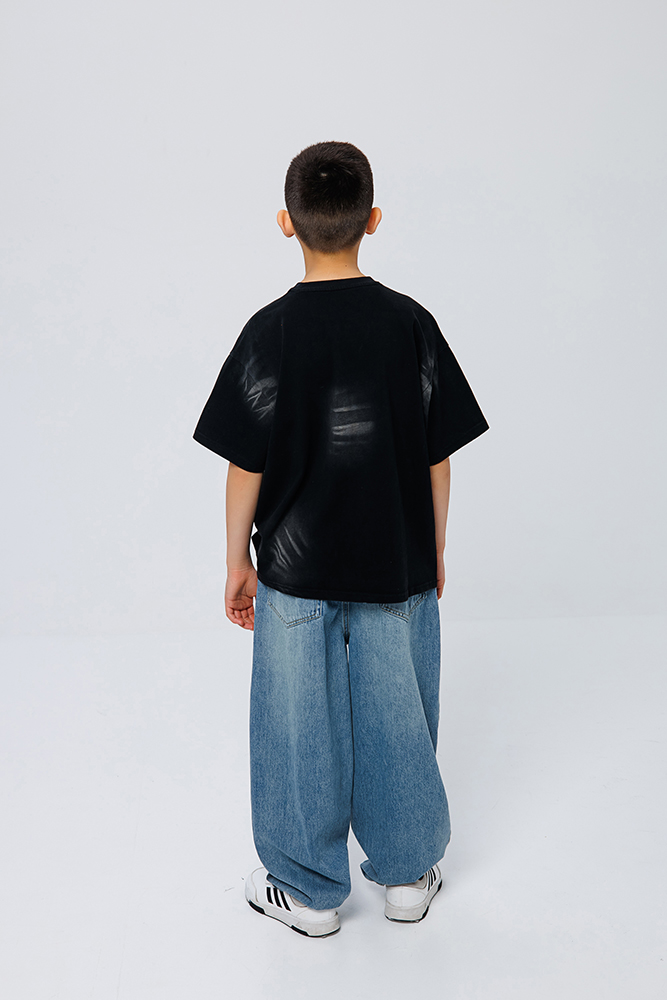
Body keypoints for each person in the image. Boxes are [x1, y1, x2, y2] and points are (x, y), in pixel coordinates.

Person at [193, 141, 489, 937]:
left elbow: (245, 463)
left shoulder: (269, 331)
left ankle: (305, 890)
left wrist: (237, 559)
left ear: (284, 222)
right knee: (399, 714)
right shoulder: (408, 324)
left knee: (294, 723)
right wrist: (434, 548)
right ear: (373, 220)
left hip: (294, 567)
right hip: (395, 561)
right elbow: (436, 457)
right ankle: (406, 875)